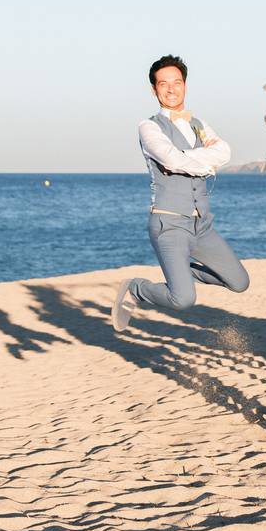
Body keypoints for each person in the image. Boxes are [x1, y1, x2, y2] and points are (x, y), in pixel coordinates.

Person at [111, 55, 249, 330]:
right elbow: (171, 160)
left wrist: (192, 157)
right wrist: (205, 161)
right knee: (183, 298)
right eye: (163, 84)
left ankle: (180, 276)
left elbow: (225, 152)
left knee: (239, 282)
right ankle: (136, 289)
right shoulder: (148, 126)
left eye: (177, 82)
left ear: (185, 85)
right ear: (154, 89)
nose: (171, 89)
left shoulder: (198, 123)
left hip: (202, 225)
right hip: (169, 223)